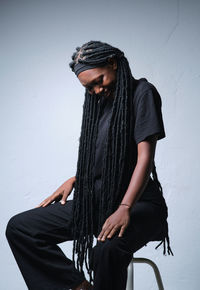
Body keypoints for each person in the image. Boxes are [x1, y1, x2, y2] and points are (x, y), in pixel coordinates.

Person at [5, 40, 173, 290]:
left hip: (139, 205)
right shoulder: (99, 105)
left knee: (106, 250)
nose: (95, 90)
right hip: (98, 203)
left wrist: (125, 206)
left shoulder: (142, 92)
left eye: (99, 81)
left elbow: (144, 158)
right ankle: (81, 288)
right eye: (88, 87)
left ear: (113, 63)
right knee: (21, 228)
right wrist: (76, 179)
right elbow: (104, 156)